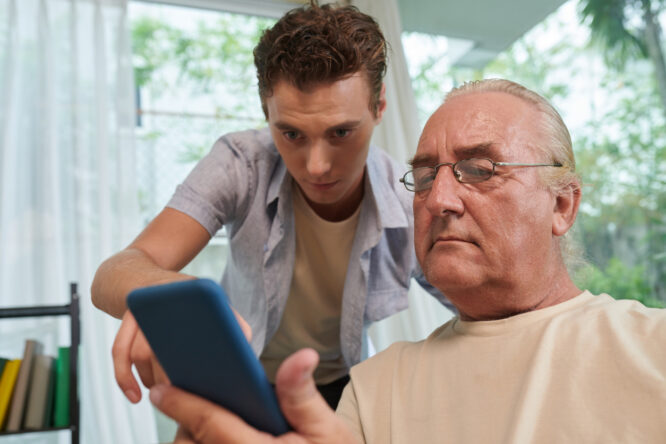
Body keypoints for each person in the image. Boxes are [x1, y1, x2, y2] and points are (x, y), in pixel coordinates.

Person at [147, 79, 666, 443]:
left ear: (562, 205)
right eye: (423, 176)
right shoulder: (374, 388)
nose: (438, 199)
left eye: (480, 169)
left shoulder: (652, 347)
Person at [91, 1, 450, 410]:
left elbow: (486, 311)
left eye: (341, 133)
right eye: (292, 134)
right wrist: (168, 295)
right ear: (266, 112)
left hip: (337, 387)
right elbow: (111, 274)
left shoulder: (409, 203)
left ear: (379, 106)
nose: (317, 166)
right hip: (233, 376)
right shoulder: (241, 163)